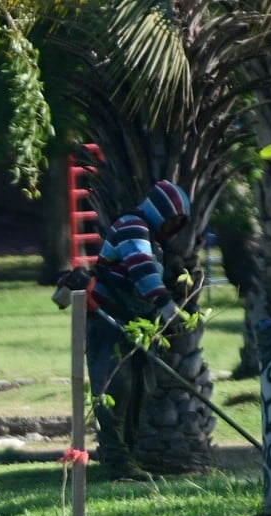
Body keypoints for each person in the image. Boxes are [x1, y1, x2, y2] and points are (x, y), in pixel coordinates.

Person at [87, 180, 190, 482]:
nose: (173, 228)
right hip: (108, 321)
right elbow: (141, 267)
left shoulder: (151, 237)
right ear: (160, 211)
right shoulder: (132, 226)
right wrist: (165, 303)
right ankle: (117, 461)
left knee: (140, 390)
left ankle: (126, 459)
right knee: (116, 389)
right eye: (172, 220)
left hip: (134, 325)